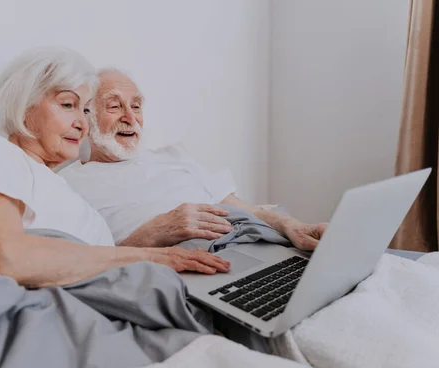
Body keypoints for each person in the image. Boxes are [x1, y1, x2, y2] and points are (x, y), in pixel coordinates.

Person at [0, 48, 230, 288]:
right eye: (68, 105)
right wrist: (151, 256)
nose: (82, 123)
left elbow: (94, 259)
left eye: (86, 109)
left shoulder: (60, 186)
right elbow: (8, 256)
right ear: (25, 108)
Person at [59, 68, 327, 250]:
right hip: (181, 266)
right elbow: (81, 265)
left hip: (250, 244)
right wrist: (151, 234)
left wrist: (294, 226)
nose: (130, 118)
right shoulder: (67, 184)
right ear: (87, 115)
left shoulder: (174, 156)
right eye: (115, 106)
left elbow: (248, 210)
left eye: (136, 106)